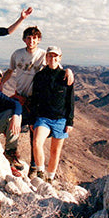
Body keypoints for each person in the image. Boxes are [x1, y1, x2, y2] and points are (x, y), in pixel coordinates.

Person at [0, 26, 73, 177]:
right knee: (11, 122)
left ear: (39, 40)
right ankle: (13, 155)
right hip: (20, 97)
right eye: (28, 38)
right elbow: (10, 70)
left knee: (34, 133)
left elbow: (57, 68)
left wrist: (69, 71)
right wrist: (1, 83)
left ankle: (34, 166)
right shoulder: (17, 54)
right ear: (24, 39)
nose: (31, 41)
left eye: (34, 38)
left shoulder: (44, 55)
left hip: (36, 100)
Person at [30, 46, 74, 183]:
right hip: (43, 117)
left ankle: (50, 178)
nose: (52, 59)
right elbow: (34, 99)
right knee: (37, 142)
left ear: (59, 58)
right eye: (50, 56)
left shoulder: (65, 76)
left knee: (55, 151)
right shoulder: (40, 76)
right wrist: (32, 119)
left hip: (60, 119)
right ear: (46, 58)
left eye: (55, 57)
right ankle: (40, 171)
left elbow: (70, 100)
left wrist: (70, 121)